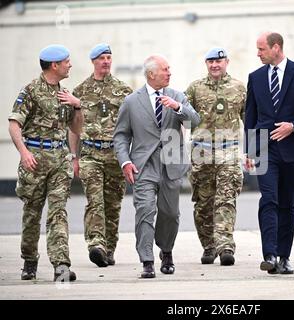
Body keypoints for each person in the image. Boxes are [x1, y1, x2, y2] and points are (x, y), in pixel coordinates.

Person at [244, 32, 294, 275]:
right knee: (268, 199)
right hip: (263, 150)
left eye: (261, 49)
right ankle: (269, 253)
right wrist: (249, 150)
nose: (258, 54)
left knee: (288, 203)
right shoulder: (256, 77)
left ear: (276, 48)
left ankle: (284, 256)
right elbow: (250, 115)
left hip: (292, 149)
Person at [113, 55, 200, 278]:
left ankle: (166, 250)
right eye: (165, 69)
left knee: (170, 213)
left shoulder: (177, 96)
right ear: (151, 74)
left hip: (171, 162)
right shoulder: (132, 102)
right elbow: (121, 136)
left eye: (169, 68)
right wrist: (125, 161)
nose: (169, 72)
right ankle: (147, 260)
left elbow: (194, 122)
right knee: (145, 210)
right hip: (143, 165)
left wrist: (178, 107)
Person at [8, 44, 83, 282]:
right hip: (35, 162)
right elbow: (14, 124)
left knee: (58, 212)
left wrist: (77, 105)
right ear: (55, 65)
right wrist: (23, 153)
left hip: (59, 161)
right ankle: (29, 260)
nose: (70, 65)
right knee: (32, 213)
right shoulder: (30, 91)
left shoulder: (66, 94)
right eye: (67, 62)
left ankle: (61, 265)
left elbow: (76, 128)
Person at [68, 44, 133, 268]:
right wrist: (74, 157)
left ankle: (109, 248)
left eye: (109, 58)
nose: (106, 61)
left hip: (116, 154)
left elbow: (132, 124)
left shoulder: (124, 90)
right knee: (95, 200)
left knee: (113, 204)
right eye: (101, 58)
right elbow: (73, 128)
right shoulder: (79, 91)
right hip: (90, 154)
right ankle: (96, 244)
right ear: (93, 61)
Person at [185, 47, 246, 266]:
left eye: (218, 61)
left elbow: (249, 120)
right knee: (203, 203)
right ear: (206, 64)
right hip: (201, 152)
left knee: (226, 198)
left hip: (228, 150)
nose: (214, 65)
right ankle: (209, 246)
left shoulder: (239, 88)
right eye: (210, 61)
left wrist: (253, 151)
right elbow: (184, 118)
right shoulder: (195, 89)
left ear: (227, 62)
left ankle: (225, 246)